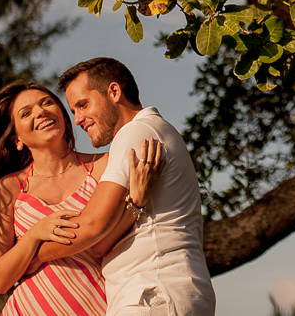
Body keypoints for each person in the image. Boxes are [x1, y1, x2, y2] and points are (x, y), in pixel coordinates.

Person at [0, 80, 163, 315]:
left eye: (47, 103)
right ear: (17, 140)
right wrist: (34, 234)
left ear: (64, 117)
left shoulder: (102, 166)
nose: (41, 111)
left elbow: (101, 239)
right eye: (26, 113)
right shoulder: (10, 188)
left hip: (97, 306)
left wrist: (136, 203)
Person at [24, 57, 216, 316]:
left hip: (153, 294)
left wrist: (31, 257)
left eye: (83, 105)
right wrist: (135, 202)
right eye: (73, 111)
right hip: (158, 294)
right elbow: (101, 244)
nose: (78, 119)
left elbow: (91, 227)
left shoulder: (135, 133)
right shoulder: (153, 129)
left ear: (114, 92)